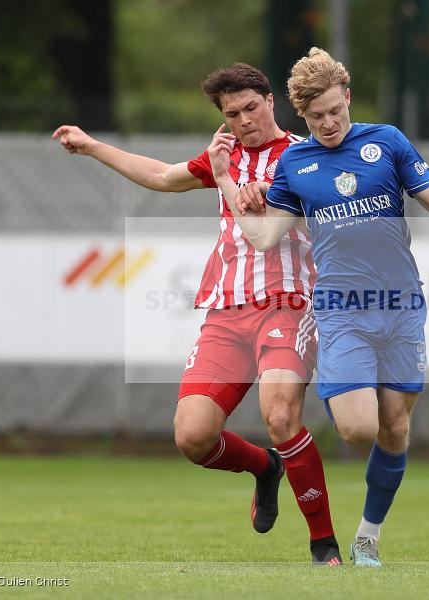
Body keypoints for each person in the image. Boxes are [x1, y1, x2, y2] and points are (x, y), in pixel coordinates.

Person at [52, 63, 341, 565]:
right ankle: (264, 469)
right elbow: (162, 176)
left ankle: (324, 544)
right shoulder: (221, 158)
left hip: (289, 303)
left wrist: (269, 198)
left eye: (252, 107)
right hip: (226, 311)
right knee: (192, 435)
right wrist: (92, 146)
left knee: (279, 415)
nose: (245, 120)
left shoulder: (306, 155)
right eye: (233, 114)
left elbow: (321, 209)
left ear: (271, 100)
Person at [209, 48, 429, 567]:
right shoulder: (296, 162)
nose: (329, 123)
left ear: (347, 99)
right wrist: (225, 181)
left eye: (335, 111)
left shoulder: (387, 142)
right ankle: (338, 377)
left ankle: (368, 537)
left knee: (395, 426)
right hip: (340, 309)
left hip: (400, 306)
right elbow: (263, 238)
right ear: (301, 117)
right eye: (316, 117)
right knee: (359, 429)